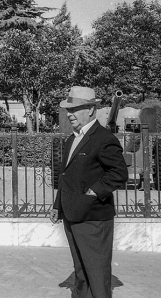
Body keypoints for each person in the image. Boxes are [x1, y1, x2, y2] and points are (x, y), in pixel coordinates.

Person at [50, 86, 128, 298]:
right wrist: (58, 206)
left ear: (91, 110)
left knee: (97, 272)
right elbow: (65, 177)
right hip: (71, 214)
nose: (70, 114)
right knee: (81, 272)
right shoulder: (71, 139)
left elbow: (119, 173)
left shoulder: (103, 138)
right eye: (69, 110)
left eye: (75, 109)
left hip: (93, 218)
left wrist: (93, 192)